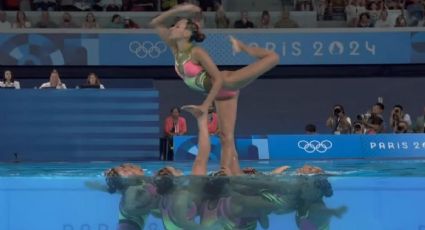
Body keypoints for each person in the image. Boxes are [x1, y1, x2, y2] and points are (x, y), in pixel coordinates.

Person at [150, 4, 279, 175]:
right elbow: (155, 23)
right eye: (174, 25)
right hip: (221, 95)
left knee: (273, 58)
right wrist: (179, 10)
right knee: (226, 138)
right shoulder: (176, 50)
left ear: (187, 34)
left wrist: (205, 106)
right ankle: (234, 175)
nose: (172, 28)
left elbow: (217, 79)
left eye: (178, 26)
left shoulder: (197, 52)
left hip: (227, 83)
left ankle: (243, 47)